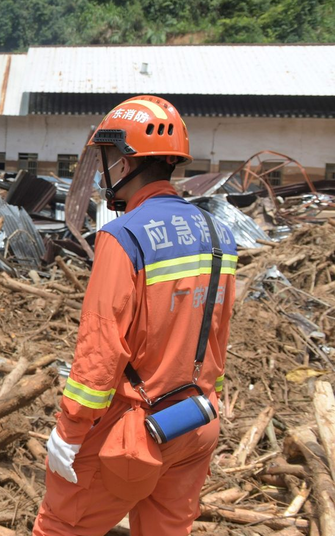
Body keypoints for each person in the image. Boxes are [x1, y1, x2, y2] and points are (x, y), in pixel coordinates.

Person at [34, 95, 237, 536]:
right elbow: (217, 335)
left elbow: (100, 350)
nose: (106, 168)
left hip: (134, 433)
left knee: (61, 527)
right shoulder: (219, 235)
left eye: (108, 156)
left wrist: (69, 432)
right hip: (198, 422)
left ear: (126, 162)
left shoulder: (122, 236)